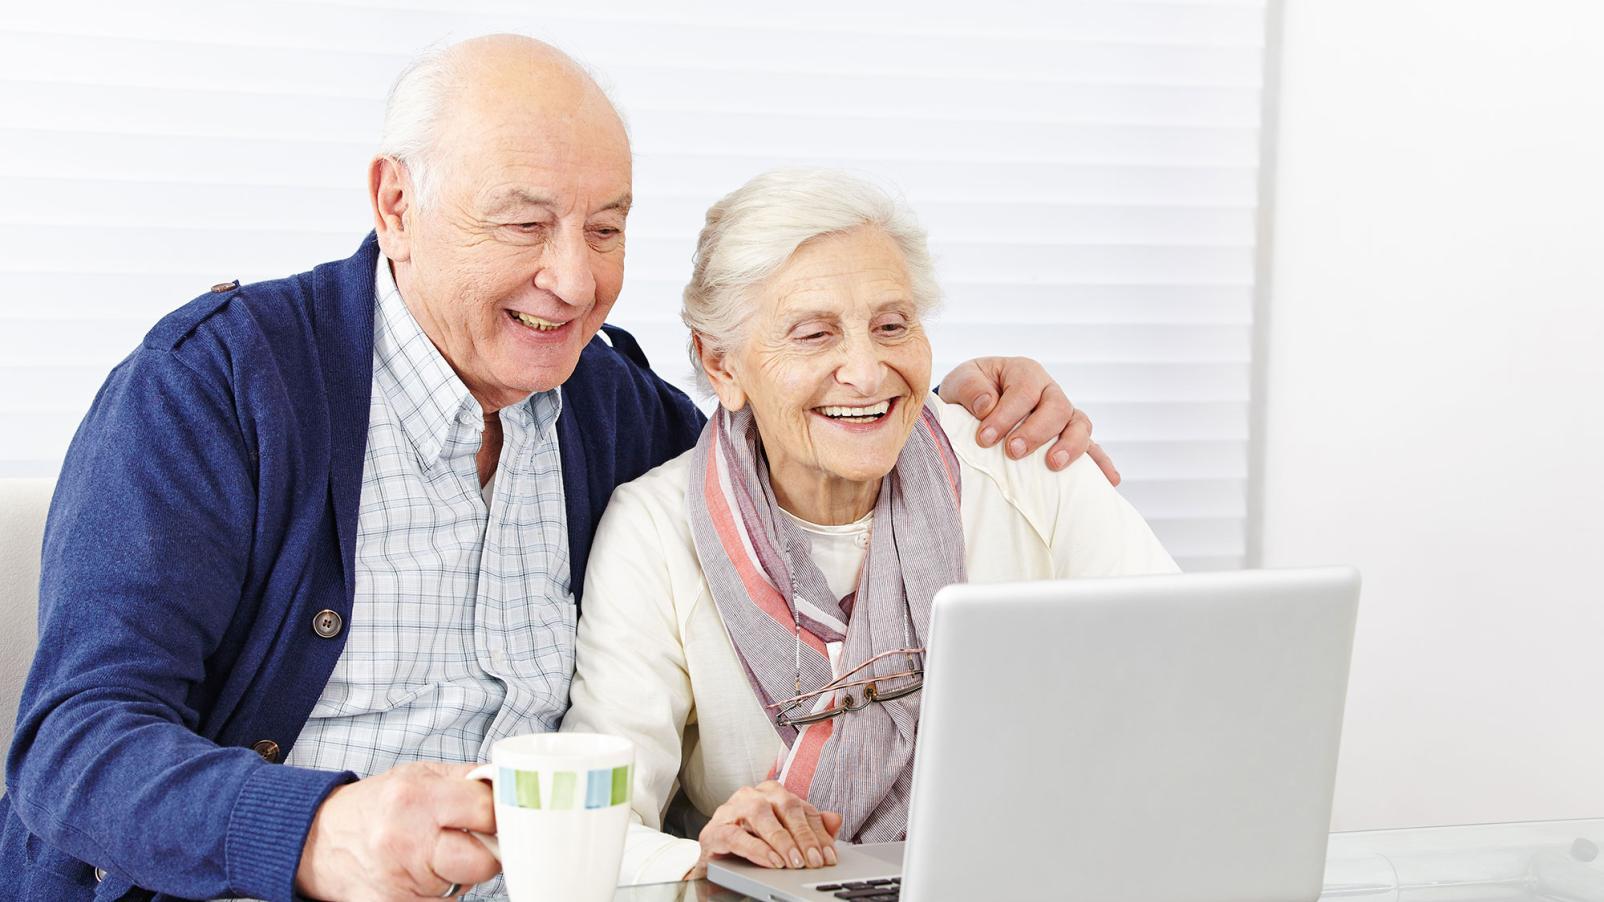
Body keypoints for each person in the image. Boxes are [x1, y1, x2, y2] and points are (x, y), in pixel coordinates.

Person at [0, 36, 1103, 902]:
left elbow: (788, 423)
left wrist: (955, 401)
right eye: (523, 224)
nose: (572, 280)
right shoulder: (217, 388)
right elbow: (70, 745)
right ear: (395, 205)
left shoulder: (611, 410)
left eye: (607, 228)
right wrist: (315, 829)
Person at [561, 168, 1179, 885]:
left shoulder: (1026, 467)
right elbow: (592, 827)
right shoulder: (653, 532)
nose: (866, 369)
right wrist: (704, 855)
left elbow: (1192, 688)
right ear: (720, 362)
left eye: (892, 326)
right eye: (815, 334)